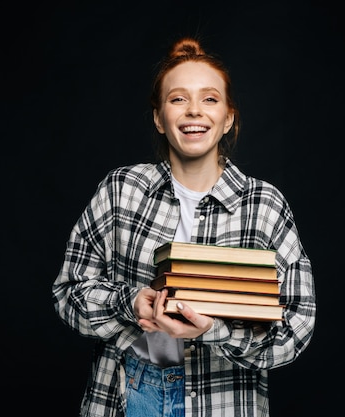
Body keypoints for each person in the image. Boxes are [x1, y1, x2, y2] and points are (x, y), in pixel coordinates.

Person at [52, 36, 316, 417]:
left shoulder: (264, 205)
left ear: (228, 118)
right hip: (131, 391)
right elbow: (68, 293)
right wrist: (130, 302)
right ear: (159, 118)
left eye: (209, 99)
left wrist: (213, 329)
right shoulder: (121, 190)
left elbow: (297, 327)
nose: (194, 111)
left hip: (224, 399)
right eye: (178, 99)